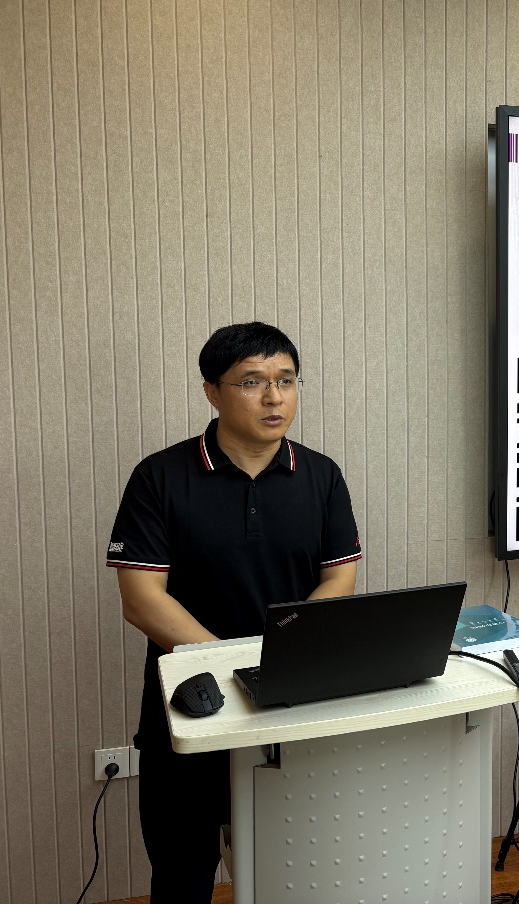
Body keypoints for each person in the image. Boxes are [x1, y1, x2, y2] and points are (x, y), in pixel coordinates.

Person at [106, 322, 361, 902]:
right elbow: (141, 598)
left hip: (292, 700)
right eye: (252, 382)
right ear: (212, 392)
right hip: (192, 703)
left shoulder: (321, 475)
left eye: (286, 380)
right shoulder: (159, 477)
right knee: (183, 871)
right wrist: (237, 667)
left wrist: (282, 663)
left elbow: (338, 579)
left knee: (297, 866)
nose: (274, 397)